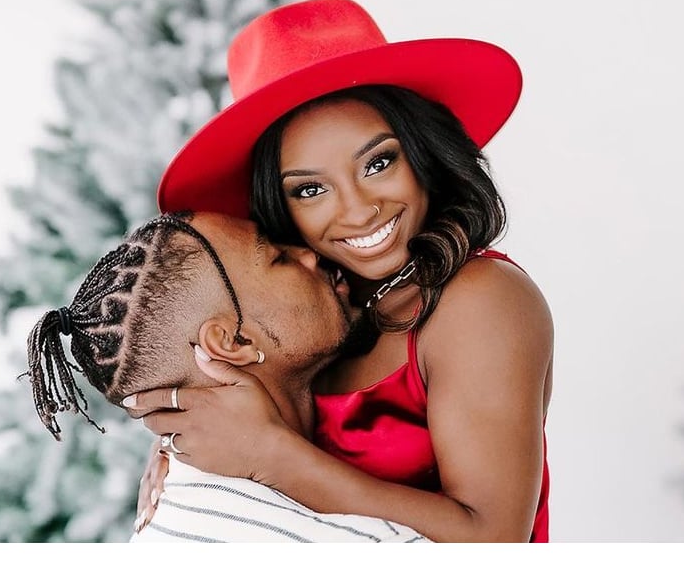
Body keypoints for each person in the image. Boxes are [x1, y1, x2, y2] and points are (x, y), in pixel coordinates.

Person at [131, 0, 554, 542]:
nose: (357, 210)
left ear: (423, 154)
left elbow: (492, 539)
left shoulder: (481, 299)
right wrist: (177, 449)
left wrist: (273, 456)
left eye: (378, 163)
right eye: (310, 189)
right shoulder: (310, 312)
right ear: (278, 208)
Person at [23, 211, 429, 542]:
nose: (308, 253)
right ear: (230, 342)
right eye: (278, 258)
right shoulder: (322, 540)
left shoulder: (196, 505)